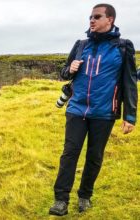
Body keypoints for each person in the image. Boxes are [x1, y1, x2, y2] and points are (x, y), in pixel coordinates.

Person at [49, 3, 138, 216]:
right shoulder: (81, 44)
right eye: (90, 16)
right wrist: (68, 69)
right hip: (77, 109)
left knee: (94, 156)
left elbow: (129, 81)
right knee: (69, 154)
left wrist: (130, 115)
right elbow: (64, 73)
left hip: (104, 112)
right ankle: (61, 200)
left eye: (97, 16)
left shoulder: (123, 47)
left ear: (110, 20)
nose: (92, 20)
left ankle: (85, 196)